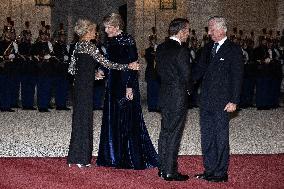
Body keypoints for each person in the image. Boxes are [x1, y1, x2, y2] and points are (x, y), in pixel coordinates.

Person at [67, 19, 139, 168]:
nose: (96, 33)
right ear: (87, 32)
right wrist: (127, 65)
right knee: (86, 121)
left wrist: (91, 75)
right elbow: (108, 64)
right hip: (86, 89)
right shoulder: (91, 47)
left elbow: (72, 70)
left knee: (78, 120)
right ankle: (82, 159)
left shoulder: (77, 46)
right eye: (94, 30)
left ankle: (73, 157)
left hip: (78, 87)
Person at [96, 13, 158, 170]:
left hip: (125, 83)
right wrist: (102, 70)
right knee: (113, 117)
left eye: (108, 27)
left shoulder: (128, 39)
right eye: (105, 27)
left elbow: (133, 63)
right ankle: (113, 156)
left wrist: (129, 86)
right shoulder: (110, 40)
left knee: (126, 119)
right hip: (113, 83)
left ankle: (128, 157)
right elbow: (108, 60)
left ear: (117, 27)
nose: (105, 30)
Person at [193, 16, 243, 182]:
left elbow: (237, 76)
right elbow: (198, 71)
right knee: (206, 136)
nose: (209, 32)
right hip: (205, 100)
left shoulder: (233, 49)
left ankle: (221, 173)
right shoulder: (208, 48)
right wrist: (182, 84)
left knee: (220, 137)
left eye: (212, 29)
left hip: (223, 102)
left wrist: (234, 100)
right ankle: (209, 170)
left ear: (223, 30)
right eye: (209, 29)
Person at [155, 18, 191, 181]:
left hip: (164, 94)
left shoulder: (161, 48)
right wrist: (189, 89)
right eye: (188, 31)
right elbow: (186, 75)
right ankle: (170, 171)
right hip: (177, 96)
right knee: (175, 133)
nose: (188, 34)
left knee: (165, 132)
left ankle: (162, 167)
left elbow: (158, 71)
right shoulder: (181, 50)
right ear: (181, 31)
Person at [144, 35, 160, 112]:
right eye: (152, 40)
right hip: (150, 73)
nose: (153, 41)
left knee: (157, 90)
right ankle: (151, 106)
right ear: (150, 41)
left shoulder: (159, 50)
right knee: (150, 90)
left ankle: (157, 106)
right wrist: (154, 52)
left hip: (157, 73)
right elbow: (149, 59)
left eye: (154, 40)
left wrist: (157, 51)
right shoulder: (147, 50)